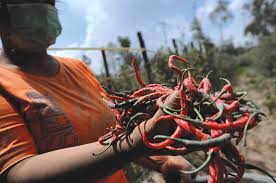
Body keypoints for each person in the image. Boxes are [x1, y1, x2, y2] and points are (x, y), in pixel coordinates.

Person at [0, 0, 193, 182]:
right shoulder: (3, 81)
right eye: (31, 2)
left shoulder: (77, 68)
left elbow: (114, 133)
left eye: (49, 2)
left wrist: (162, 161)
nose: (44, 10)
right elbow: (17, 171)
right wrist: (136, 142)